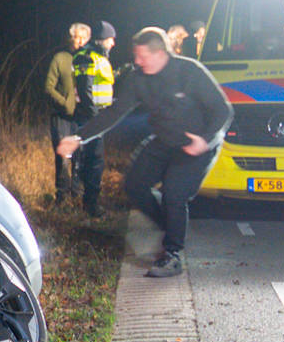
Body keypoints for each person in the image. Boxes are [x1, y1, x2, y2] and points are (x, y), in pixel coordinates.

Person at [57, 27, 232, 278]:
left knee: (173, 194)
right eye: (135, 56)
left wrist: (205, 139)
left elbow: (223, 110)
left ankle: (172, 254)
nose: (137, 61)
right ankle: (172, 225)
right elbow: (114, 113)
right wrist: (79, 137)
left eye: (142, 56)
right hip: (164, 140)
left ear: (160, 53)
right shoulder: (139, 78)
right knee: (134, 185)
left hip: (198, 145)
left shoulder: (189, 72)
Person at [71, 21, 118, 214]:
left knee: (94, 160)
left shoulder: (99, 57)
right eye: (110, 39)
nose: (113, 43)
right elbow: (85, 89)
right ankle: (90, 205)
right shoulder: (87, 57)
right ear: (101, 40)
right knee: (94, 160)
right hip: (92, 118)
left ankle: (90, 201)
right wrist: (94, 118)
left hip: (98, 116)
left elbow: (100, 85)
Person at [42, 24, 89, 201]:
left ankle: (77, 195)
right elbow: (48, 87)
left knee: (80, 156)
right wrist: (64, 103)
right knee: (63, 157)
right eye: (77, 37)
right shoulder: (60, 59)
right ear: (70, 38)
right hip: (61, 117)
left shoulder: (88, 59)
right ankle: (62, 196)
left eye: (84, 38)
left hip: (82, 116)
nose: (80, 41)